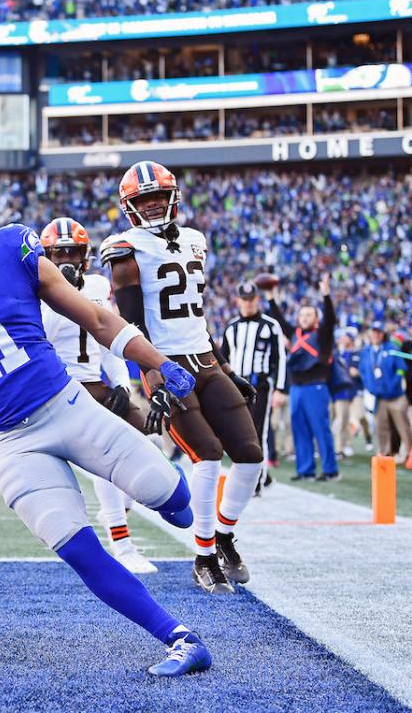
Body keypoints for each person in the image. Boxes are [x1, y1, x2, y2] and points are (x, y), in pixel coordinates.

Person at [0, 160, 210, 677]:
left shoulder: (10, 246)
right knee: (78, 548)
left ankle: (180, 499)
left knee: (174, 501)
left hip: (69, 407)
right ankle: (179, 637)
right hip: (11, 443)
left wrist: (157, 363)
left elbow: (97, 318)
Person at [100, 160, 263, 595]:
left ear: (172, 198)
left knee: (250, 454)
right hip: (167, 363)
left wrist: (226, 367)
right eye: (144, 200)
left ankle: (223, 535)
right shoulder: (125, 249)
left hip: (205, 360)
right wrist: (152, 380)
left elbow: (196, 315)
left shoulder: (195, 240)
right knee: (207, 454)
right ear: (130, 207)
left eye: (158, 197)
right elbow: (133, 326)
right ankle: (204, 555)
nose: (153, 207)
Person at [39, 216, 157, 575]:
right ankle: (121, 543)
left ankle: (119, 510)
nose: (66, 261)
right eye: (58, 254)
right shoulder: (32, 289)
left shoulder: (97, 284)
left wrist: (121, 382)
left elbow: (108, 341)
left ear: (85, 256)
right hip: (54, 387)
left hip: (95, 383)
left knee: (150, 441)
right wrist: (59, 292)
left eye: (72, 253)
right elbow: (40, 332)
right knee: (106, 456)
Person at [265, 276, 339, 481]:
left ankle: (330, 470)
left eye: (309, 315)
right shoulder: (295, 334)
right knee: (299, 429)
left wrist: (326, 295)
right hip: (297, 388)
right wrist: (271, 298)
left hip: (315, 387)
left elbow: (331, 319)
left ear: (316, 319)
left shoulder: (322, 335)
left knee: (320, 429)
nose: (305, 317)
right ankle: (305, 469)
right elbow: (279, 320)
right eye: (302, 315)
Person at [220, 281, 287, 493]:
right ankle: (255, 478)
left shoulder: (270, 325)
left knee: (258, 432)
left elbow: (280, 359)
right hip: (236, 385)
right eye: (244, 300)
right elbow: (223, 359)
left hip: (260, 385)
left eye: (251, 299)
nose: (248, 304)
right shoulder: (231, 328)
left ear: (256, 300)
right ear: (238, 300)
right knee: (238, 434)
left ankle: (256, 481)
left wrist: (280, 388)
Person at [359, 321, 412, 464]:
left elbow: (401, 368)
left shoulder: (392, 348)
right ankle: (385, 453)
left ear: (383, 334)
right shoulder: (366, 352)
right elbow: (363, 371)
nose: (376, 335)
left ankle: (409, 453)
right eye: (373, 332)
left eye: (378, 332)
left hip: (396, 396)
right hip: (379, 397)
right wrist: (369, 386)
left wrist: (395, 382)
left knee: (402, 426)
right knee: (381, 426)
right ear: (369, 333)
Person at [331, 327, 362, 457]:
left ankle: (340, 448)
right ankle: (335, 447)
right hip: (331, 391)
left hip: (345, 392)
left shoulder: (355, 354)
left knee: (343, 420)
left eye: (346, 336)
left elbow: (354, 372)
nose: (342, 338)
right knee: (330, 421)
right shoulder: (335, 353)